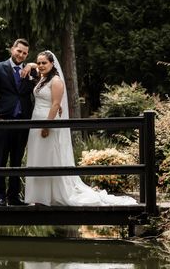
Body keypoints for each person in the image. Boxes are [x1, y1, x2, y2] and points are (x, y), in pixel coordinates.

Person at [24, 50, 137, 206]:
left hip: (46, 121)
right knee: (38, 156)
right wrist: (31, 64)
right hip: (35, 120)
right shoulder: (42, 79)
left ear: (52, 64)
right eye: (39, 63)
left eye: (44, 63)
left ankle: (51, 196)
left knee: (49, 157)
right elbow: (35, 69)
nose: (41, 65)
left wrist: (47, 125)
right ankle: (39, 196)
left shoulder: (56, 81)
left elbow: (56, 104)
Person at [0, 38, 39, 206]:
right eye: (18, 51)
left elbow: (50, 69)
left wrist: (32, 66)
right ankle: (0, 196)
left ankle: (14, 196)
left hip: (23, 122)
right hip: (3, 121)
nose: (21, 55)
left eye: (24, 53)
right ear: (12, 49)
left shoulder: (31, 71)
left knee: (17, 160)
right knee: (0, 159)